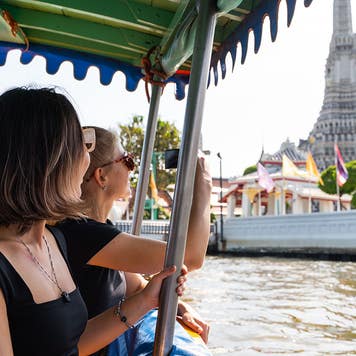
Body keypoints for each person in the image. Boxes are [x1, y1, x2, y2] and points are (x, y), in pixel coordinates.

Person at [0, 87, 186, 356]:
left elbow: (72, 344)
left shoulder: (53, 240)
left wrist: (146, 300)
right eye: (83, 144)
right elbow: (188, 254)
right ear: (48, 160)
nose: (87, 158)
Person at [56, 126, 212, 354]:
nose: (133, 169)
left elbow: (138, 287)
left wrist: (179, 307)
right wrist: (204, 180)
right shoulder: (83, 234)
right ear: (101, 176)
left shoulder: (96, 231)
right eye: (127, 161)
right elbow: (190, 256)